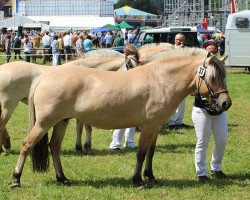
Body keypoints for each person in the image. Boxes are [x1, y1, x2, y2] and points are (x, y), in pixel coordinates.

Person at [192, 40, 229, 183]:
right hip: (202, 109)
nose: (212, 53)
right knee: (202, 141)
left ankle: (216, 168)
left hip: (219, 111)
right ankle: (201, 173)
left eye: (214, 51)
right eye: (209, 51)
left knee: (222, 140)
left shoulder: (219, 67)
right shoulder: (199, 68)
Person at [109, 44, 139, 150]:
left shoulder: (130, 62)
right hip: (128, 93)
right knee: (125, 120)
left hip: (129, 93)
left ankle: (123, 143)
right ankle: (118, 143)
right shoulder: (131, 62)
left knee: (128, 120)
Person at [167, 33, 190, 129]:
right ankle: (171, 122)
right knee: (172, 100)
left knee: (182, 101)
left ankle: (179, 122)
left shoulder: (188, 51)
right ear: (174, 40)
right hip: (172, 79)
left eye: (181, 39)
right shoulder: (170, 50)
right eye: (177, 39)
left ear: (184, 41)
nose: (179, 41)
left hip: (183, 79)